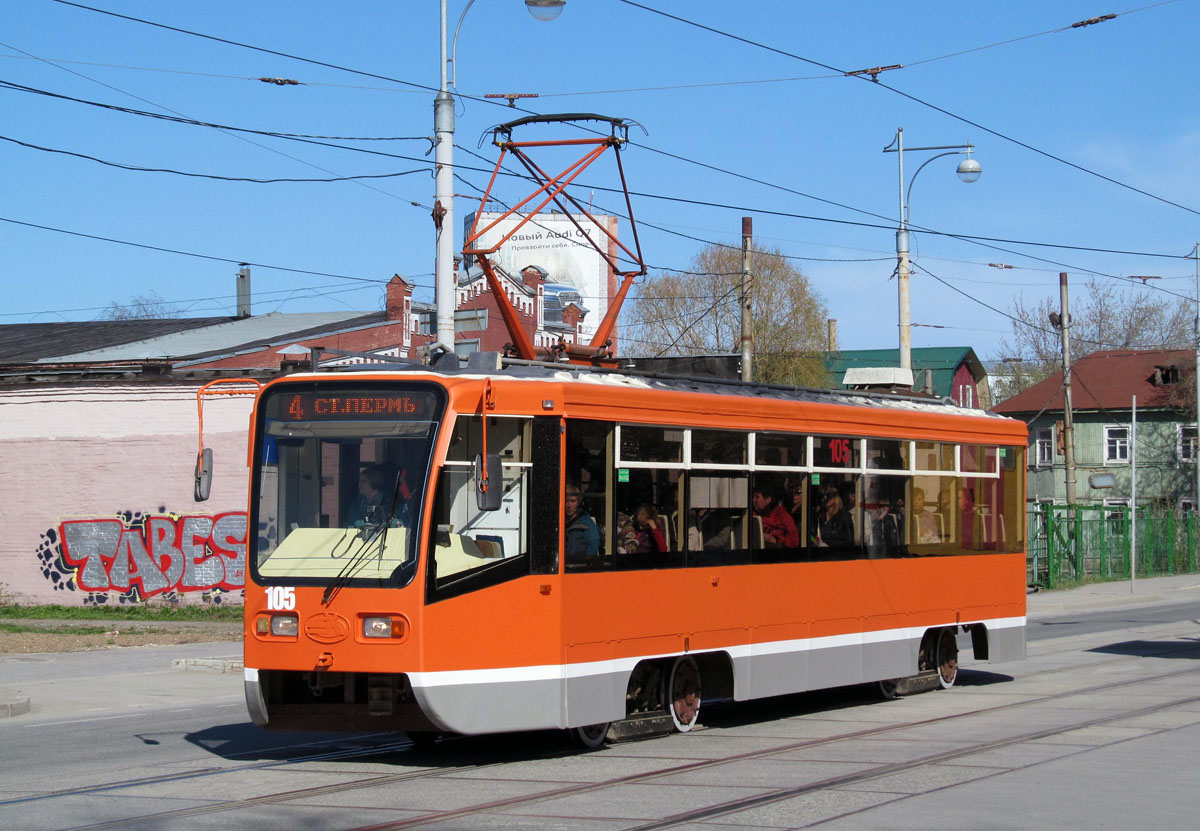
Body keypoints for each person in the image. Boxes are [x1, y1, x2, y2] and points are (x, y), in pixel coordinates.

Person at [813, 484, 855, 549]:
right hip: (820, 553)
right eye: (822, 496)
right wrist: (815, 541)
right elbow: (810, 536)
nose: (825, 498)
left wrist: (828, 544)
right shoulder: (819, 515)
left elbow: (849, 541)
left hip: (837, 553)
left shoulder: (844, 516)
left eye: (828, 495)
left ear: (835, 497)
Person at [564, 485, 600, 557]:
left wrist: (583, 561)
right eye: (566, 501)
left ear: (578, 502)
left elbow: (593, 544)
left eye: (573, 501)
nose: (569, 505)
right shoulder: (556, 521)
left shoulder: (587, 524)